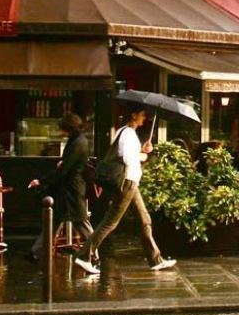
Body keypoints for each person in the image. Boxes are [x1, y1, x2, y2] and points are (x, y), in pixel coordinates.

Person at [73, 102, 176, 275]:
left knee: (144, 219)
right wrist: (144, 154)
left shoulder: (123, 132)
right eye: (142, 114)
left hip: (131, 182)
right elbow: (129, 159)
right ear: (134, 115)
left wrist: (142, 150)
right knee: (110, 221)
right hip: (127, 182)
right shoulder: (128, 134)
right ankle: (84, 256)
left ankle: (156, 259)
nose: (145, 118)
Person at [27, 113, 94, 262]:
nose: (61, 132)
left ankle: (94, 252)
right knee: (56, 221)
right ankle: (36, 251)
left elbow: (64, 169)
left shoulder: (77, 143)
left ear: (69, 129)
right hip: (69, 189)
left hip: (72, 189)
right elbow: (65, 165)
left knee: (81, 222)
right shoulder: (77, 141)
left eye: (63, 129)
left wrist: (42, 181)